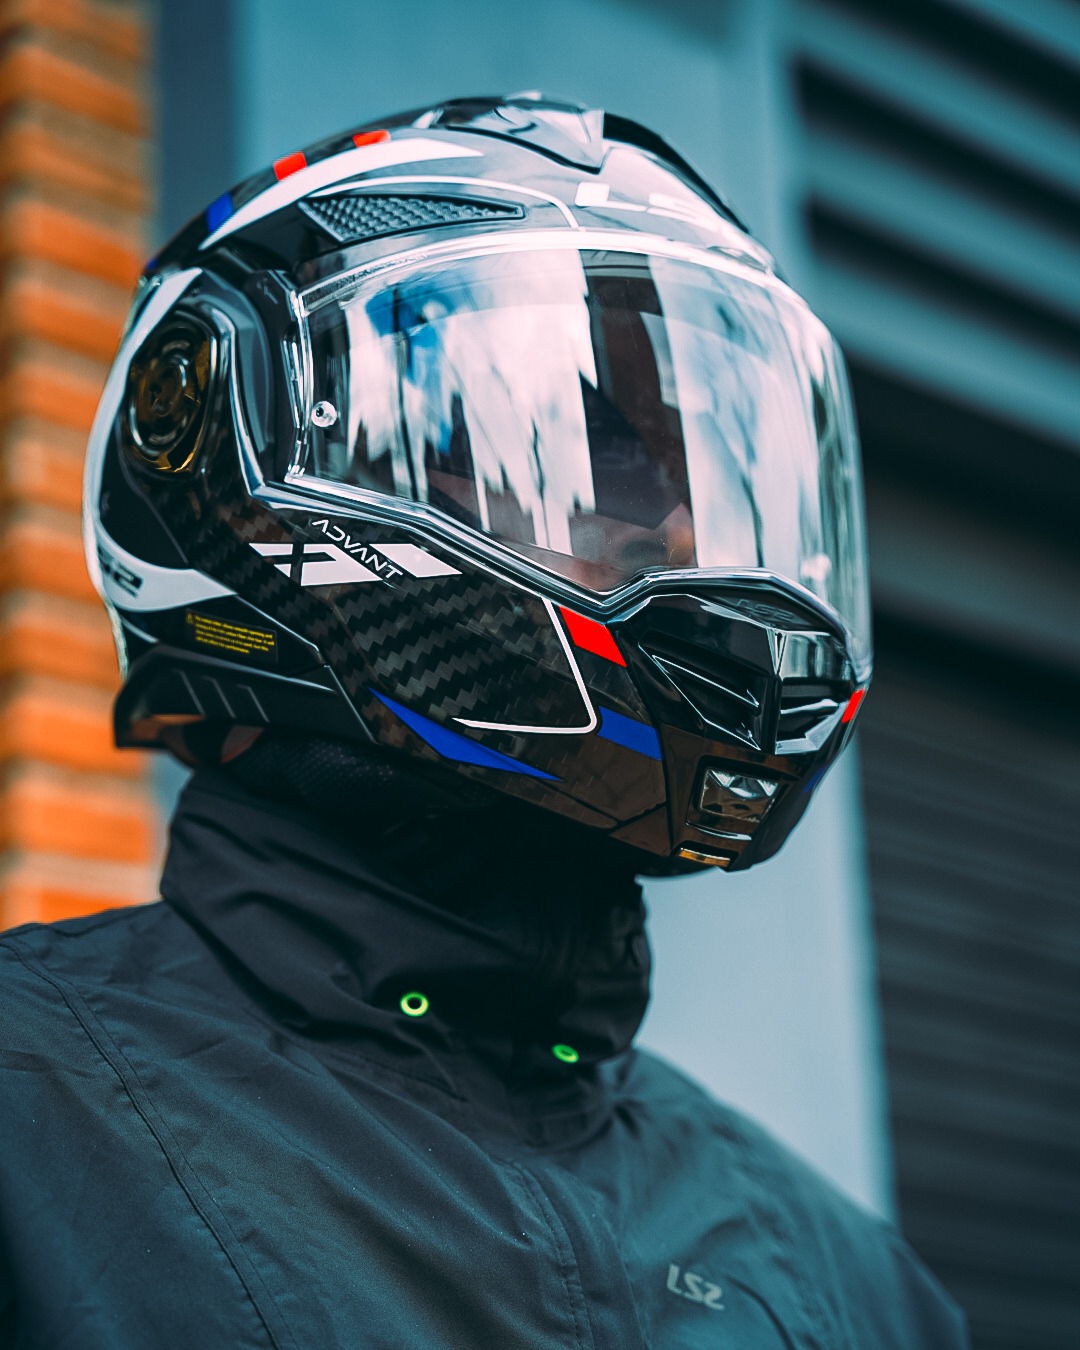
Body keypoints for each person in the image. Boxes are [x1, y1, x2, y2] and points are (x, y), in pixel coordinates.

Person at [0, 94, 967, 1347]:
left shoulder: (858, 1285)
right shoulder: (37, 1138)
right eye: (591, 464)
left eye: (698, 491)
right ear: (227, 468)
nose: (676, 536)